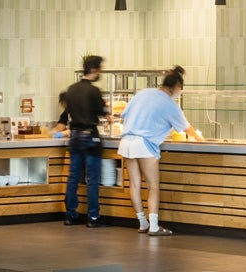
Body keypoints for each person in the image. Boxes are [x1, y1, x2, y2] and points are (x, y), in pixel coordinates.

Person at [117, 65, 203, 236]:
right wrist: (201, 139)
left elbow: (124, 115)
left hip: (126, 142)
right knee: (153, 186)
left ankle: (142, 223)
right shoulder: (170, 105)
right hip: (145, 144)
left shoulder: (143, 93)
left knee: (134, 184)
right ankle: (154, 227)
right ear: (177, 87)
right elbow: (188, 129)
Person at [62, 55, 108, 227]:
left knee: (73, 177)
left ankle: (70, 214)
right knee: (92, 178)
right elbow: (102, 112)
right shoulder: (94, 91)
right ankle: (93, 217)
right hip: (90, 136)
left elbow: (68, 113)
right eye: (100, 69)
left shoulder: (71, 90)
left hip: (74, 136)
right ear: (94, 69)